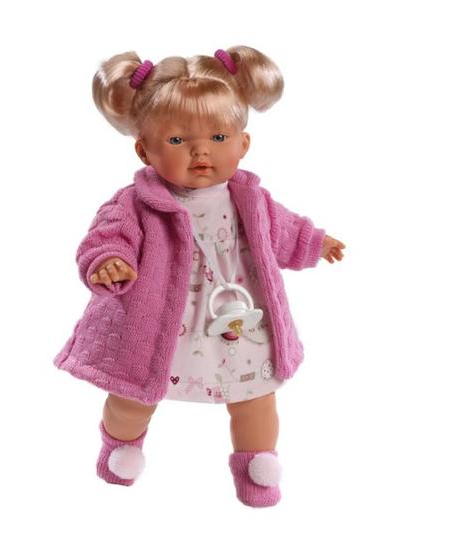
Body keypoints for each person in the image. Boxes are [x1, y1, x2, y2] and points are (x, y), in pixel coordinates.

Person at [54, 46, 346, 507]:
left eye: (218, 136)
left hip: (239, 322)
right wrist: (109, 260)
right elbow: (106, 237)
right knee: (132, 399)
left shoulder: (251, 199)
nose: (200, 151)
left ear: (243, 144)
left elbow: (284, 229)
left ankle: (257, 464)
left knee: (257, 398)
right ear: (144, 149)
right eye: (176, 140)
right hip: (160, 327)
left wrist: (315, 241)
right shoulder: (135, 204)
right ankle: (120, 445)